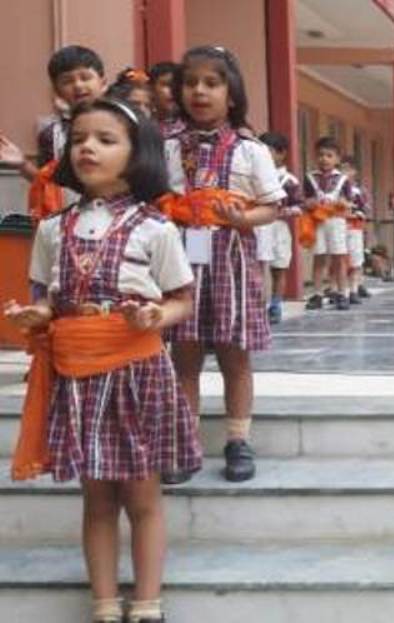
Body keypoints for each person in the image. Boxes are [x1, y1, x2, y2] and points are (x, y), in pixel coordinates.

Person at [7, 97, 200, 623]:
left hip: (137, 374)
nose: (87, 148)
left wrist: (156, 317)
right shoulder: (53, 228)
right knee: (96, 500)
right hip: (78, 378)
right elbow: (49, 298)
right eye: (79, 139)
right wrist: (37, 314)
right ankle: (105, 604)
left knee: (142, 497)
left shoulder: (155, 228)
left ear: (138, 154)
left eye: (105, 139)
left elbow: (182, 299)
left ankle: (148, 602)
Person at [163, 45, 284, 483]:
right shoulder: (168, 147)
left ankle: (237, 440)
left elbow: (271, 206)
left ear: (231, 95)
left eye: (211, 83)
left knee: (236, 356)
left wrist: (243, 218)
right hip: (181, 258)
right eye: (190, 83)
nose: (199, 91)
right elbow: (155, 199)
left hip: (233, 260)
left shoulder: (251, 150)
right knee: (185, 356)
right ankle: (185, 443)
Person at [0, 45, 107, 220]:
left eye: (85, 77)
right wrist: (23, 164)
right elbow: (48, 184)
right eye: (67, 81)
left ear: (103, 83)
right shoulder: (52, 135)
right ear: (57, 91)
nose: (78, 85)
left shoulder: (126, 125)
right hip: (70, 220)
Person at [300, 137, 356, 310]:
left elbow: (349, 203)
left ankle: (342, 293)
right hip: (318, 221)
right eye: (320, 155)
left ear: (337, 159)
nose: (324, 159)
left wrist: (343, 204)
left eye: (329, 155)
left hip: (336, 221)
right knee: (319, 257)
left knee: (339, 258)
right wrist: (309, 203)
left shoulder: (343, 179)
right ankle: (317, 293)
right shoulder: (310, 177)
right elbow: (305, 199)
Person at [258, 132, 302, 324]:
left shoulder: (289, 181)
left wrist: (285, 211)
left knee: (279, 267)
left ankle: (275, 305)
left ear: (281, 153)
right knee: (258, 266)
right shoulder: (255, 177)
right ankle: (257, 305)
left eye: (268, 152)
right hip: (259, 226)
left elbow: (298, 206)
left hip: (279, 227)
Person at [340, 156, 371, 302]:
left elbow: (364, 209)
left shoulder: (358, 191)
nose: (344, 172)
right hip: (339, 226)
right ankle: (339, 291)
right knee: (339, 260)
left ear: (354, 171)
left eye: (347, 169)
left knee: (355, 260)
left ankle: (354, 289)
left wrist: (357, 213)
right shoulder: (335, 189)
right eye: (341, 169)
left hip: (354, 227)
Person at [147, 62, 185, 137]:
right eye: (167, 84)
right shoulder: (143, 123)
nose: (173, 90)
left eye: (177, 85)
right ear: (151, 88)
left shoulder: (193, 125)